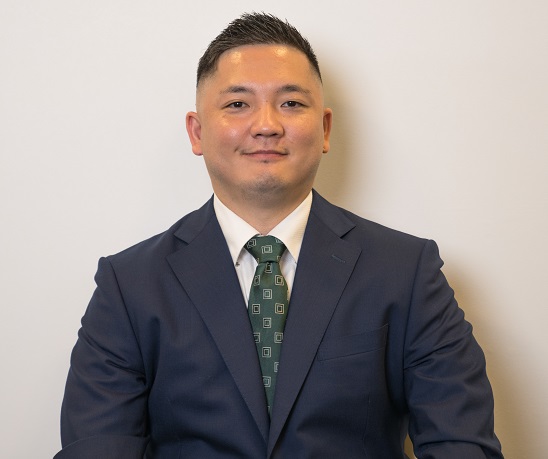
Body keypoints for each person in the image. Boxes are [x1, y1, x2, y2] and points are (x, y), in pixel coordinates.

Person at [56, 12, 503, 459]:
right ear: (197, 132)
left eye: (290, 103)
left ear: (324, 129)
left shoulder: (406, 272)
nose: (266, 125)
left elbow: (462, 445)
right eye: (238, 104)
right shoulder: (129, 286)